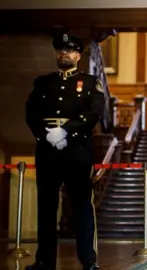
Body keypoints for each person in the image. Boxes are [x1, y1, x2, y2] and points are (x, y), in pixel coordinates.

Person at [25, 33, 105, 270]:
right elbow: (31, 112)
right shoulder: (43, 82)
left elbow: (93, 113)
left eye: (70, 50)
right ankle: (44, 261)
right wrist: (46, 134)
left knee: (82, 206)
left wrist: (66, 131)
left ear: (78, 55)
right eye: (61, 50)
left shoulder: (91, 83)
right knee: (46, 208)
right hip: (48, 150)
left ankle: (88, 261)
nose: (64, 54)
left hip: (77, 150)